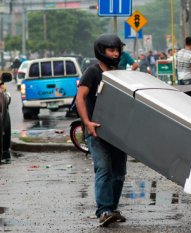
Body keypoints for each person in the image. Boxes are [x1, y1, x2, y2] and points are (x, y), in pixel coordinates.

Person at [75, 34, 128, 227]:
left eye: (117, 50)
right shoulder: (92, 72)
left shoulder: (120, 72)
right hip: (96, 131)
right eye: (111, 50)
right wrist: (87, 122)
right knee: (104, 168)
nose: (115, 53)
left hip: (118, 132)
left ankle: (112, 209)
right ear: (101, 51)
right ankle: (104, 210)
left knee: (119, 172)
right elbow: (80, 98)